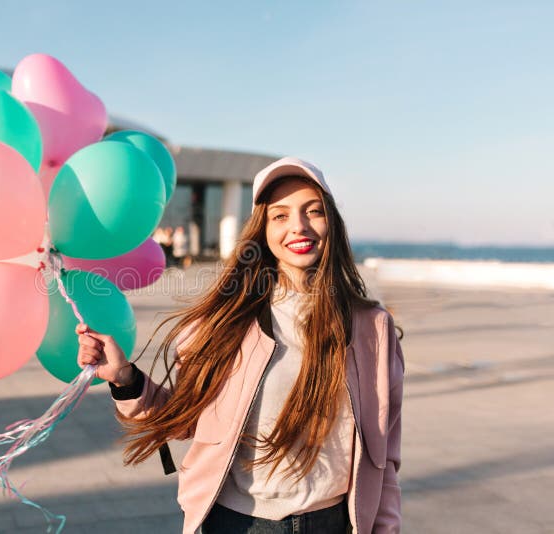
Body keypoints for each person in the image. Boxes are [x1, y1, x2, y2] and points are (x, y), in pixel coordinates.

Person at [77, 157, 404, 534]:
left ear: (331, 222)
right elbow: (182, 420)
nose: (298, 226)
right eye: (279, 216)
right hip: (240, 523)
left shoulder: (372, 328)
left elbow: (386, 457)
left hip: (333, 523)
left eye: (312, 211)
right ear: (262, 230)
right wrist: (124, 378)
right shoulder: (223, 323)